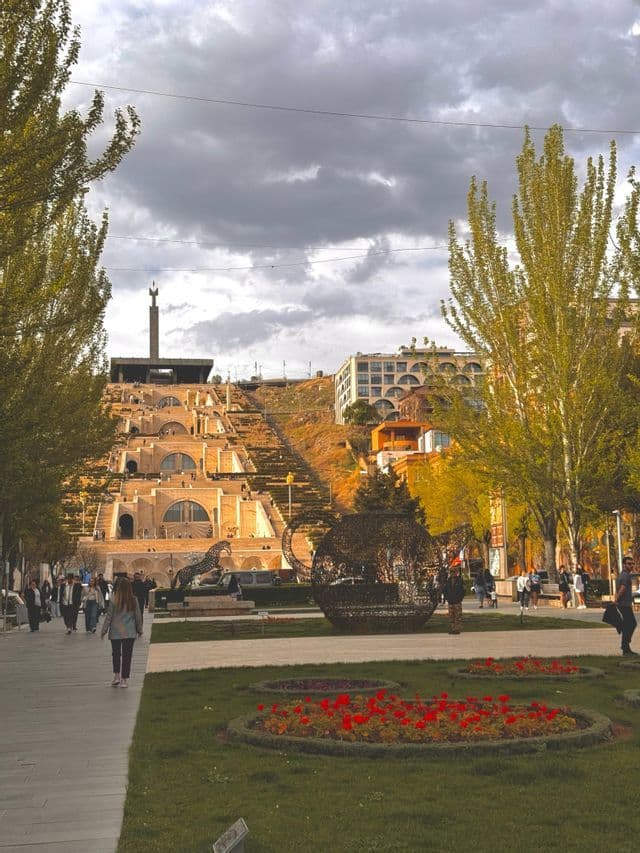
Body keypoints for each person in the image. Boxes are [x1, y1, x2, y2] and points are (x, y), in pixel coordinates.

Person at [101, 576, 143, 687]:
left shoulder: (114, 600)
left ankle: (116, 676)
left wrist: (104, 630)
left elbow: (109, 617)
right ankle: (124, 679)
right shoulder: (133, 600)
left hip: (115, 631)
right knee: (127, 656)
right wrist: (139, 629)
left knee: (116, 654)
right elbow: (138, 616)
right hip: (129, 632)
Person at [615, 556, 637, 656]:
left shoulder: (622, 575)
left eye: (632, 564)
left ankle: (625, 647)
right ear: (624, 564)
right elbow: (622, 588)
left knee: (628, 624)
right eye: (629, 564)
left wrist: (616, 599)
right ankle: (625, 645)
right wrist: (616, 600)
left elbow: (619, 588)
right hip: (624, 604)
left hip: (623, 604)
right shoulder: (625, 576)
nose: (631, 565)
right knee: (631, 624)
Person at [443, 564, 465, 634]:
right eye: (451, 572)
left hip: (457, 601)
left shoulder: (460, 580)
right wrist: (447, 598)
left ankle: (457, 629)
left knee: (458, 616)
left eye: (453, 572)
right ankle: (453, 628)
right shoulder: (448, 581)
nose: (452, 573)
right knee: (451, 616)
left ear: (456, 572)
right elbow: (445, 590)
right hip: (450, 601)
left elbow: (463, 590)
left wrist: (460, 598)